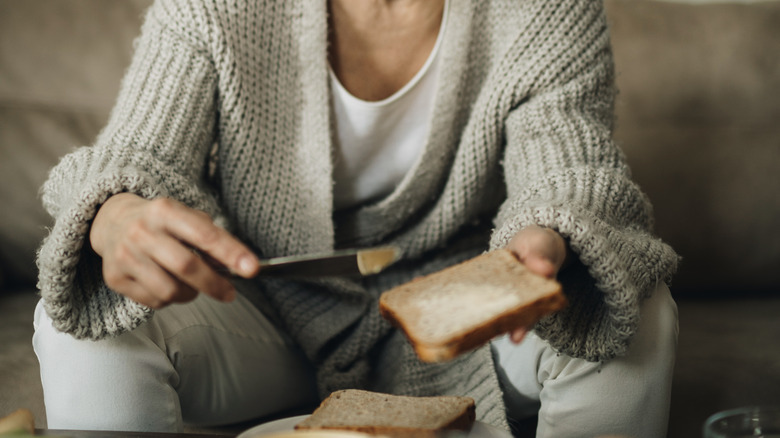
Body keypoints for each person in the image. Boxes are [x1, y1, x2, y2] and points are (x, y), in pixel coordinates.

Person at [33, 0, 680, 436]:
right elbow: (137, 158)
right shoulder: (214, 7)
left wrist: (548, 239)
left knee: (631, 307)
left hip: (459, 312)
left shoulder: (549, 13)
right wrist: (114, 214)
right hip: (262, 304)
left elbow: (569, 178)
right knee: (85, 313)